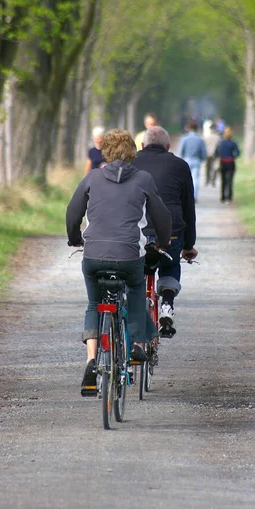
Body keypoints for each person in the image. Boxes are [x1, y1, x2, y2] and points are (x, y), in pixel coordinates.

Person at [66, 128, 171, 395]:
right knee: (136, 290)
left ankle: (91, 362)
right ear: (133, 152)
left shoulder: (92, 177)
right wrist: (162, 242)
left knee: (94, 302)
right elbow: (161, 217)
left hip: (93, 255)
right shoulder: (144, 179)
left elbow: (73, 212)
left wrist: (75, 238)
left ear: (106, 152)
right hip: (128, 254)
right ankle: (136, 344)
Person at [132, 125, 197, 337]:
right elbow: (188, 207)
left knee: (136, 272)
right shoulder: (180, 165)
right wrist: (188, 245)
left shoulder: (131, 162)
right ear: (168, 146)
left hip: (138, 232)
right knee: (169, 267)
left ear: (142, 145)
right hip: (171, 233)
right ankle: (167, 305)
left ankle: (137, 306)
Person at [177, 120, 207, 202]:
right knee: (195, 179)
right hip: (196, 160)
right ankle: (194, 196)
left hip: (186, 159)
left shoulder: (185, 138)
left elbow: (180, 151)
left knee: (185, 179)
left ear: (188, 128)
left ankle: (185, 196)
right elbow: (203, 152)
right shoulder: (200, 139)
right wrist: (202, 159)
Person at [215, 126, 240, 204]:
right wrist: (233, 156)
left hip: (222, 163)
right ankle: (229, 197)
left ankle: (222, 197)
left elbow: (216, 153)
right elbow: (237, 153)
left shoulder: (220, 143)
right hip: (230, 163)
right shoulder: (233, 143)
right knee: (230, 180)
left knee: (223, 180)